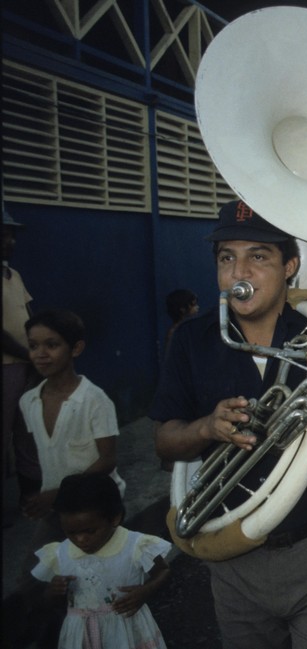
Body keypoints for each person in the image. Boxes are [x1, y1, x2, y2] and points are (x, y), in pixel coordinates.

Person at [150, 199, 307, 648]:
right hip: (233, 557)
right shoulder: (191, 339)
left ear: (291, 266)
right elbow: (165, 444)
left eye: (258, 257)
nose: (238, 273)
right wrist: (205, 429)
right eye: (227, 258)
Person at [32, 473, 171, 649]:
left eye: (90, 531)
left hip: (127, 630)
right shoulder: (60, 553)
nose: (81, 540)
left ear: (115, 518)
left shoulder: (135, 545)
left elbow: (163, 570)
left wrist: (145, 591)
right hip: (81, 635)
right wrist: (53, 591)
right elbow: (50, 602)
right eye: (71, 533)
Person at [19, 310, 126, 536]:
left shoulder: (95, 400)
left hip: (96, 506)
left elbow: (107, 460)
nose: (41, 354)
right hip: (56, 506)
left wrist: (57, 494)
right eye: (33, 346)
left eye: (51, 345)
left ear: (76, 348)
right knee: (44, 567)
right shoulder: (28, 401)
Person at [3, 208, 42, 507]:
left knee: (26, 430)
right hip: (7, 367)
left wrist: (37, 352)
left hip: (26, 365)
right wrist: (30, 355)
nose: (10, 241)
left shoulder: (13, 275)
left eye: (12, 235)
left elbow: (29, 319)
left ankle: (30, 494)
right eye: (5, 235)